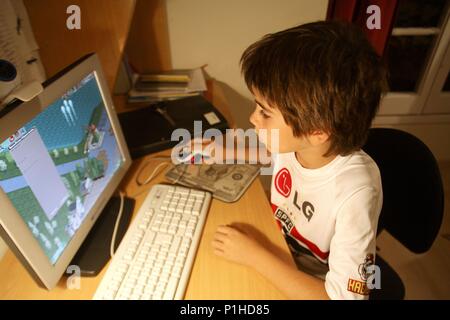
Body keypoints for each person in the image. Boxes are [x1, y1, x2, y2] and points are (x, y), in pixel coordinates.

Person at [208, 21, 388, 300]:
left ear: (317, 131)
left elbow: (344, 298)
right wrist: (225, 151)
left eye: (265, 112)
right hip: (279, 244)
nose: (253, 118)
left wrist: (255, 256)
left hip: (310, 280)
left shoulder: (356, 192)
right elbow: (276, 153)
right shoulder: (301, 143)